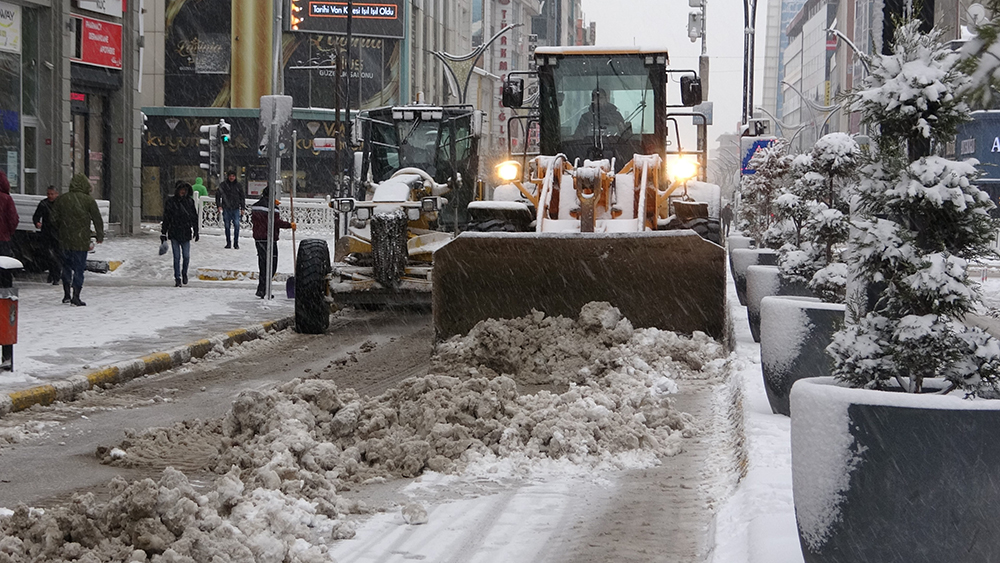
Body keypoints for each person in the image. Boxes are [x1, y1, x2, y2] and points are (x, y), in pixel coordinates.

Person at [52, 173, 103, 306]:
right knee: (79, 269)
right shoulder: (88, 200)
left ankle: (66, 295)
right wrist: (99, 235)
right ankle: (76, 296)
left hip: (64, 240)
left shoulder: (62, 199)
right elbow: (97, 219)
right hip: (81, 241)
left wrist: (62, 229)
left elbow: (53, 219)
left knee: (66, 267)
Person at [251, 187, 295, 298]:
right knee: (271, 266)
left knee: (263, 264)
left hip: (259, 239)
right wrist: (290, 225)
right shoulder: (272, 208)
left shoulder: (256, 205)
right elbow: (276, 222)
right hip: (269, 239)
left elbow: (256, 220)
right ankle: (265, 290)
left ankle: (261, 289)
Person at [161, 181, 200, 287]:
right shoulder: (171, 202)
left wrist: (196, 231)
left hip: (186, 232)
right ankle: (177, 278)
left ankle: (184, 273)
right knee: (176, 257)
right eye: (181, 190)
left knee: (186, 256)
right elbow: (166, 218)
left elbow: (194, 217)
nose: (183, 192)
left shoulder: (190, 202)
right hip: (174, 232)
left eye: (185, 190)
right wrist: (163, 233)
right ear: (177, 191)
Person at [32, 185, 61, 285]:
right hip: (46, 233)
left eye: (52, 194)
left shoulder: (60, 204)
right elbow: (36, 216)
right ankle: (52, 273)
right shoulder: (43, 204)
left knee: (57, 255)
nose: (50, 196)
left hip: (57, 234)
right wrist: (37, 223)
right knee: (48, 255)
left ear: (57, 194)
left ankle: (56, 276)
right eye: (48, 194)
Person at [216, 169, 246, 249]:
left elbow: (242, 197)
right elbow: (218, 195)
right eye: (230, 176)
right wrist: (219, 205)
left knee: (237, 225)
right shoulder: (223, 185)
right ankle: (228, 242)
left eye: (233, 176)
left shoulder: (238, 186)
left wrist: (242, 207)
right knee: (227, 226)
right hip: (226, 208)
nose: (231, 178)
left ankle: (236, 242)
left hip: (235, 208)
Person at [0, 171, 18, 288]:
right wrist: (9, 232)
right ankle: (5, 296)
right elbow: (13, 219)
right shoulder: (6, 199)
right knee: (4, 268)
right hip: (3, 238)